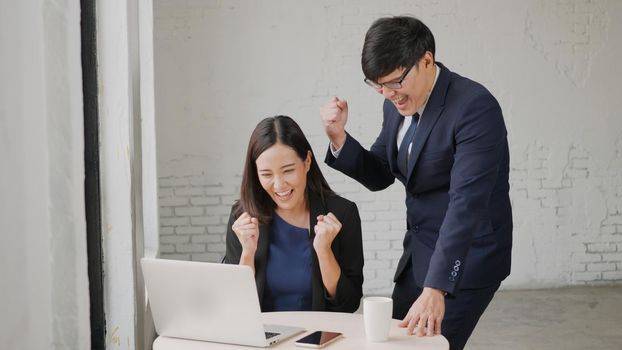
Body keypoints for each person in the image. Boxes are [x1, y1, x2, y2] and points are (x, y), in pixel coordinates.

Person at [319, 16, 512, 349]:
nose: (388, 94)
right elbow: (381, 173)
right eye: (377, 85)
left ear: (426, 60)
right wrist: (339, 138)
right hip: (418, 255)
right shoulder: (396, 106)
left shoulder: (475, 108)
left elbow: (466, 204)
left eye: (394, 82)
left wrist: (437, 288)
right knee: (387, 343)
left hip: (465, 259)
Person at [224, 115, 364, 313]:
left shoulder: (342, 213)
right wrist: (247, 253)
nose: (279, 185)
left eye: (288, 171)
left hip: (318, 337)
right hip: (262, 337)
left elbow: (349, 304)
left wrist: (324, 252)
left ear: (307, 161)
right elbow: (234, 306)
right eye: (266, 174)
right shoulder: (242, 218)